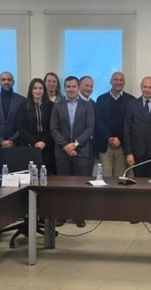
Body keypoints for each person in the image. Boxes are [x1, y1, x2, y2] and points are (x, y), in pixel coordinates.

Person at [50, 76, 94, 227]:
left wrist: (74, 145)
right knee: (63, 186)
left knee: (79, 186)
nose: (71, 89)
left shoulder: (87, 106)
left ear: (78, 87)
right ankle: (62, 215)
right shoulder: (58, 105)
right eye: (68, 87)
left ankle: (78, 215)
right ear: (64, 88)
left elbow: (89, 128)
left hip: (81, 151)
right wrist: (66, 146)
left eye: (74, 86)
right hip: (62, 152)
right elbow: (53, 129)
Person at [123, 76, 151, 178]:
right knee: (138, 183)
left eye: (150, 87)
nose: (147, 90)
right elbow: (127, 130)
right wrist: (128, 153)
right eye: (145, 87)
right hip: (136, 153)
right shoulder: (131, 105)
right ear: (141, 87)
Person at [95, 72, 135, 177]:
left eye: (121, 80)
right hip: (105, 145)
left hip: (123, 146)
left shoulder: (131, 100)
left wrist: (119, 140)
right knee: (105, 177)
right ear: (111, 81)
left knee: (120, 177)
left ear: (124, 82)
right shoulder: (101, 99)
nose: (118, 82)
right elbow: (98, 122)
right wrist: (109, 138)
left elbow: (130, 124)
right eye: (116, 80)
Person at [0, 71, 26, 172]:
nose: (6, 82)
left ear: (13, 82)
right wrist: (0, 141)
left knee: (16, 175)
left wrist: (11, 140)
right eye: (3, 80)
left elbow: (23, 125)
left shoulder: (22, 100)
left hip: (16, 145)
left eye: (9, 80)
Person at [18, 78, 56, 174]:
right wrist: (34, 142)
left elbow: (53, 127)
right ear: (31, 90)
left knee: (48, 175)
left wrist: (44, 142)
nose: (38, 91)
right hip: (29, 145)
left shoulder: (51, 106)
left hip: (47, 145)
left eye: (40, 88)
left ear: (44, 90)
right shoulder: (23, 106)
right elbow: (21, 128)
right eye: (35, 88)